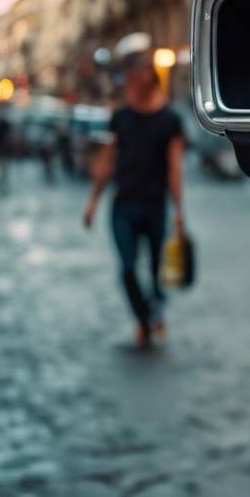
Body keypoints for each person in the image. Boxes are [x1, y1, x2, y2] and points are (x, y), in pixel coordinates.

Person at [83, 33, 187, 349]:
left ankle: (153, 313)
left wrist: (179, 212)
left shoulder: (170, 119)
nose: (126, 82)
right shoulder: (121, 117)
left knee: (156, 274)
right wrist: (92, 202)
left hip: (155, 205)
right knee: (127, 268)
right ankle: (145, 319)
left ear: (147, 79)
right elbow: (107, 161)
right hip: (123, 205)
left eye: (131, 76)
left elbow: (175, 168)